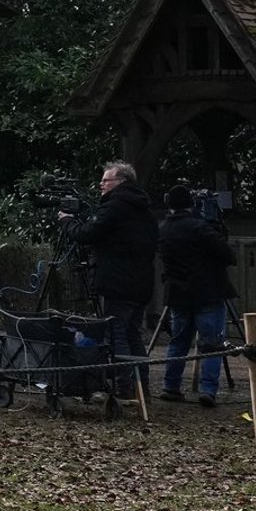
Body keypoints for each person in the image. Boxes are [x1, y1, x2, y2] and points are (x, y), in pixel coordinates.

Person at [65, 160, 159, 400]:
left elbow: (87, 234)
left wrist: (67, 222)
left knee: (116, 335)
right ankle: (142, 387)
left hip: (118, 283)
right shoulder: (145, 210)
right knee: (132, 334)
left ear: (121, 182)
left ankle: (123, 388)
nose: (101, 185)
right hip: (141, 283)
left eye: (106, 180)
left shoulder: (116, 207)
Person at [156, 184, 236, 407]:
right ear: (191, 205)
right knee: (212, 343)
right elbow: (227, 254)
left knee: (178, 341)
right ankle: (208, 389)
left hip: (177, 294)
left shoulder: (162, 230)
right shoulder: (199, 228)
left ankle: (170, 385)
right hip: (207, 291)